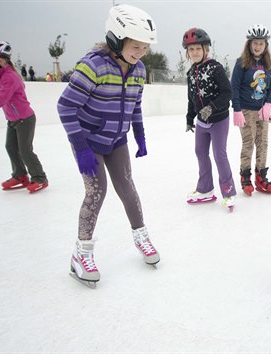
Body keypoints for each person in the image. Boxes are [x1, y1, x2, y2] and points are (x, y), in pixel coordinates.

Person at [57, 4, 160, 285]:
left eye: (144, 47)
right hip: (88, 141)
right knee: (96, 192)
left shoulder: (138, 69)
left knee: (127, 186)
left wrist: (139, 135)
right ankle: (81, 253)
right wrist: (80, 148)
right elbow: (66, 107)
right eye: (135, 46)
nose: (140, 53)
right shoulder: (93, 65)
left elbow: (135, 105)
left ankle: (141, 237)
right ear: (116, 38)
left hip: (117, 140)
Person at [0, 40, 49, 193]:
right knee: (11, 147)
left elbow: (1, 99)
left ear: (0, 61)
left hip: (24, 120)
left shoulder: (9, 76)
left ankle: (40, 178)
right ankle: (20, 175)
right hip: (13, 120)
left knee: (25, 150)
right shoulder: (2, 75)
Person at [183, 27, 236, 212]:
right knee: (200, 152)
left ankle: (228, 192)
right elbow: (191, 98)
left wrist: (211, 108)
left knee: (219, 155)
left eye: (198, 48)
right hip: (201, 122)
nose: (195, 52)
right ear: (187, 53)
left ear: (206, 49)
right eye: (191, 49)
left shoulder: (215, 67)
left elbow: (227, 92)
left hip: (219, 119)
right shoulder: (191, 73)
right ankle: (205, 189)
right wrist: (190, 118)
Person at [231, 24, 271, 196]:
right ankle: (245, 176)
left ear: (266, 45)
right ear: (249, 44)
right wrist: (236, 109)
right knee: (248, 143)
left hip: (262, 112)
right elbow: (234, 86)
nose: (258, 47)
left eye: (261, 43)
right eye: (255, 43)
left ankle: (261, 176)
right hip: (246, 110)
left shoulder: (268, 65)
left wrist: (268, 104)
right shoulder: (242, 63)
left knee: (263, 143)